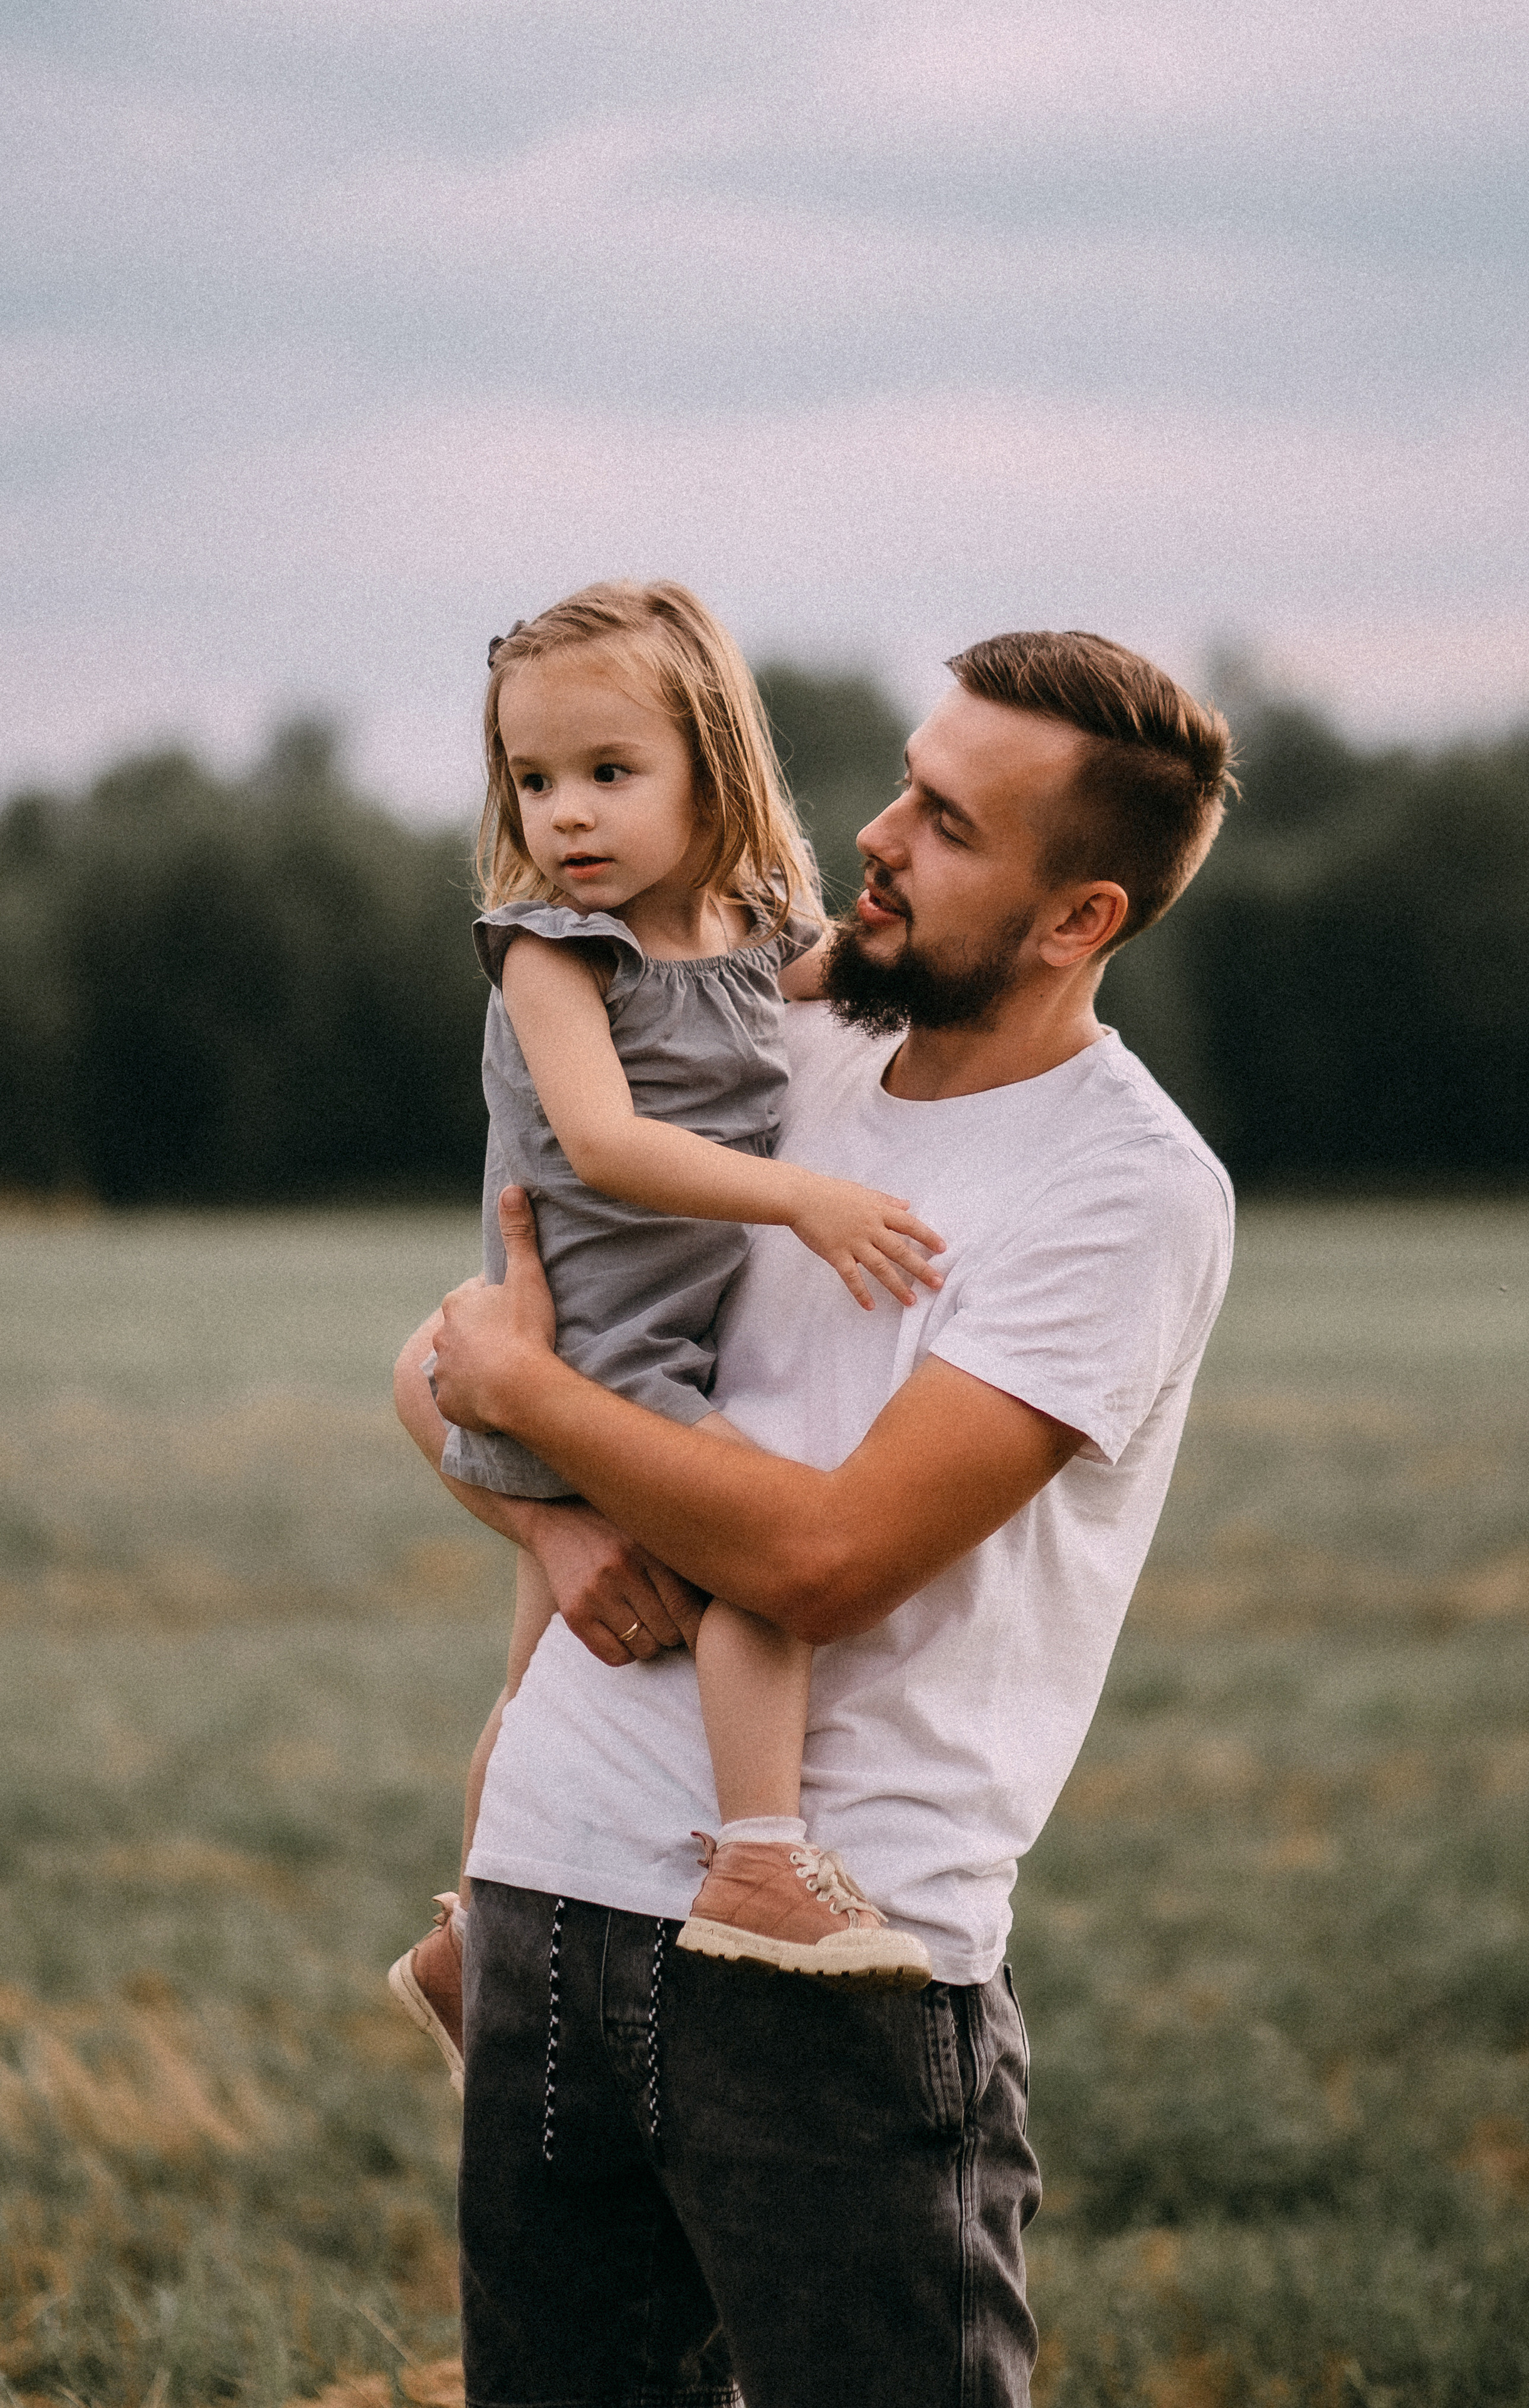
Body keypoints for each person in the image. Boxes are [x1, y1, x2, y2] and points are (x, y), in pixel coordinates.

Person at [401, 623, 1236, 2408]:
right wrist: (553, 1529)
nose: (877, 833)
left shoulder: (1128, 1188)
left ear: (1079, 915)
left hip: (829, 1965)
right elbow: (455, 1352)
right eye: (903, 781)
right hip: (550, 1898)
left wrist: (537, 1408)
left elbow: (823, 1559)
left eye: (945, 821)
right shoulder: (787, 1051)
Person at [389, 581, 944, 2097]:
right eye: (533, 779)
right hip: (592, 1356)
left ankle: (462, 1945)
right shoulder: (552, 952)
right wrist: (803, 1201)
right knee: (766, 1563)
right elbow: (606, 1143)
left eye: (607, 773)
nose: (564, 813)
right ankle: (762, 1859)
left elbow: (860, 978)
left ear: (712, 761)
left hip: (649, 1350)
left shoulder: (750, 928)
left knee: (532, 1694)